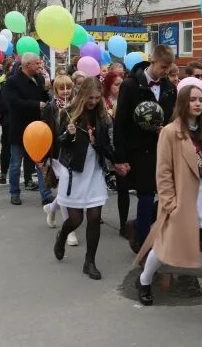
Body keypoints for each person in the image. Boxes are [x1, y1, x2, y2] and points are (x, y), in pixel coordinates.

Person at [135, 84, 202, 330]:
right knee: (164, 247)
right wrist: (171, 204)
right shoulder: (170, 132)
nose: (198, 104)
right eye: (192, 100)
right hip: (182, 203)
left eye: (200, 100)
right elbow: (164, 171)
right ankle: (145, 279)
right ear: (183, 103)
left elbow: (200, 163)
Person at [113, 45, 177, 251]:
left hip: (163, 149)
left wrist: (167, 129)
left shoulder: (169, 88)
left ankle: (138, 225)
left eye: (169, 67)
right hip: (139, 150)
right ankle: (143, 245)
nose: (166, 72)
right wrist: (120, 157)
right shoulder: (131, 85)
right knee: (146, 195)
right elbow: (120, 123)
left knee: (169, 196)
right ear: (152, 60)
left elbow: (172, 119)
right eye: (163, 67)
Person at [49, 77, 113, 280]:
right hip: (74, 170)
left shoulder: (103, 116)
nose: (93, 101)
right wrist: (68, 135)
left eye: (97, 97)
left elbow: (108, 145)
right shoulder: (68, 113)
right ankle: (61, 236)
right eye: (90, 97)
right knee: (76, 219)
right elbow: (59, 142)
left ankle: (90, 261)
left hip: (94, 170)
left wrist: (101, 146)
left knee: (94, 217)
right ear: (83, 95)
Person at [3, 52, 52, 206]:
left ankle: (46, 194)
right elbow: (13, 102)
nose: (40, 66)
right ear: (27, 65)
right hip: (19, 128)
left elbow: (44, 98)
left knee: (40, 163)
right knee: (16, 163)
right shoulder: (12, 82)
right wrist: (36, 104)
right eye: (37, 63)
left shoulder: (39, 79)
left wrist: (48, 91)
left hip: (37, 129)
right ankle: (14, 192)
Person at [40, 75, 80, 245]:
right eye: (61, 88)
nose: (66, 91)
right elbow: (44, 131)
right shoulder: (51, 107)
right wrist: (43, 157)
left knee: (70, 190)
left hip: (74, 153)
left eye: (68, 88)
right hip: (57, 154)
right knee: (64, 188)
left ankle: (51, 208)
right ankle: (69, 229)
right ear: (55, 91)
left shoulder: (78, 105)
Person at [103, 70, 130, 236]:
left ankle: (123, 224)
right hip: (107, 148)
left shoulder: (126, 101)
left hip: (123, 148)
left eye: (122, 85)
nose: (120, 88)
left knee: (124, 188)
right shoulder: (103, 103)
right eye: (116, 85)